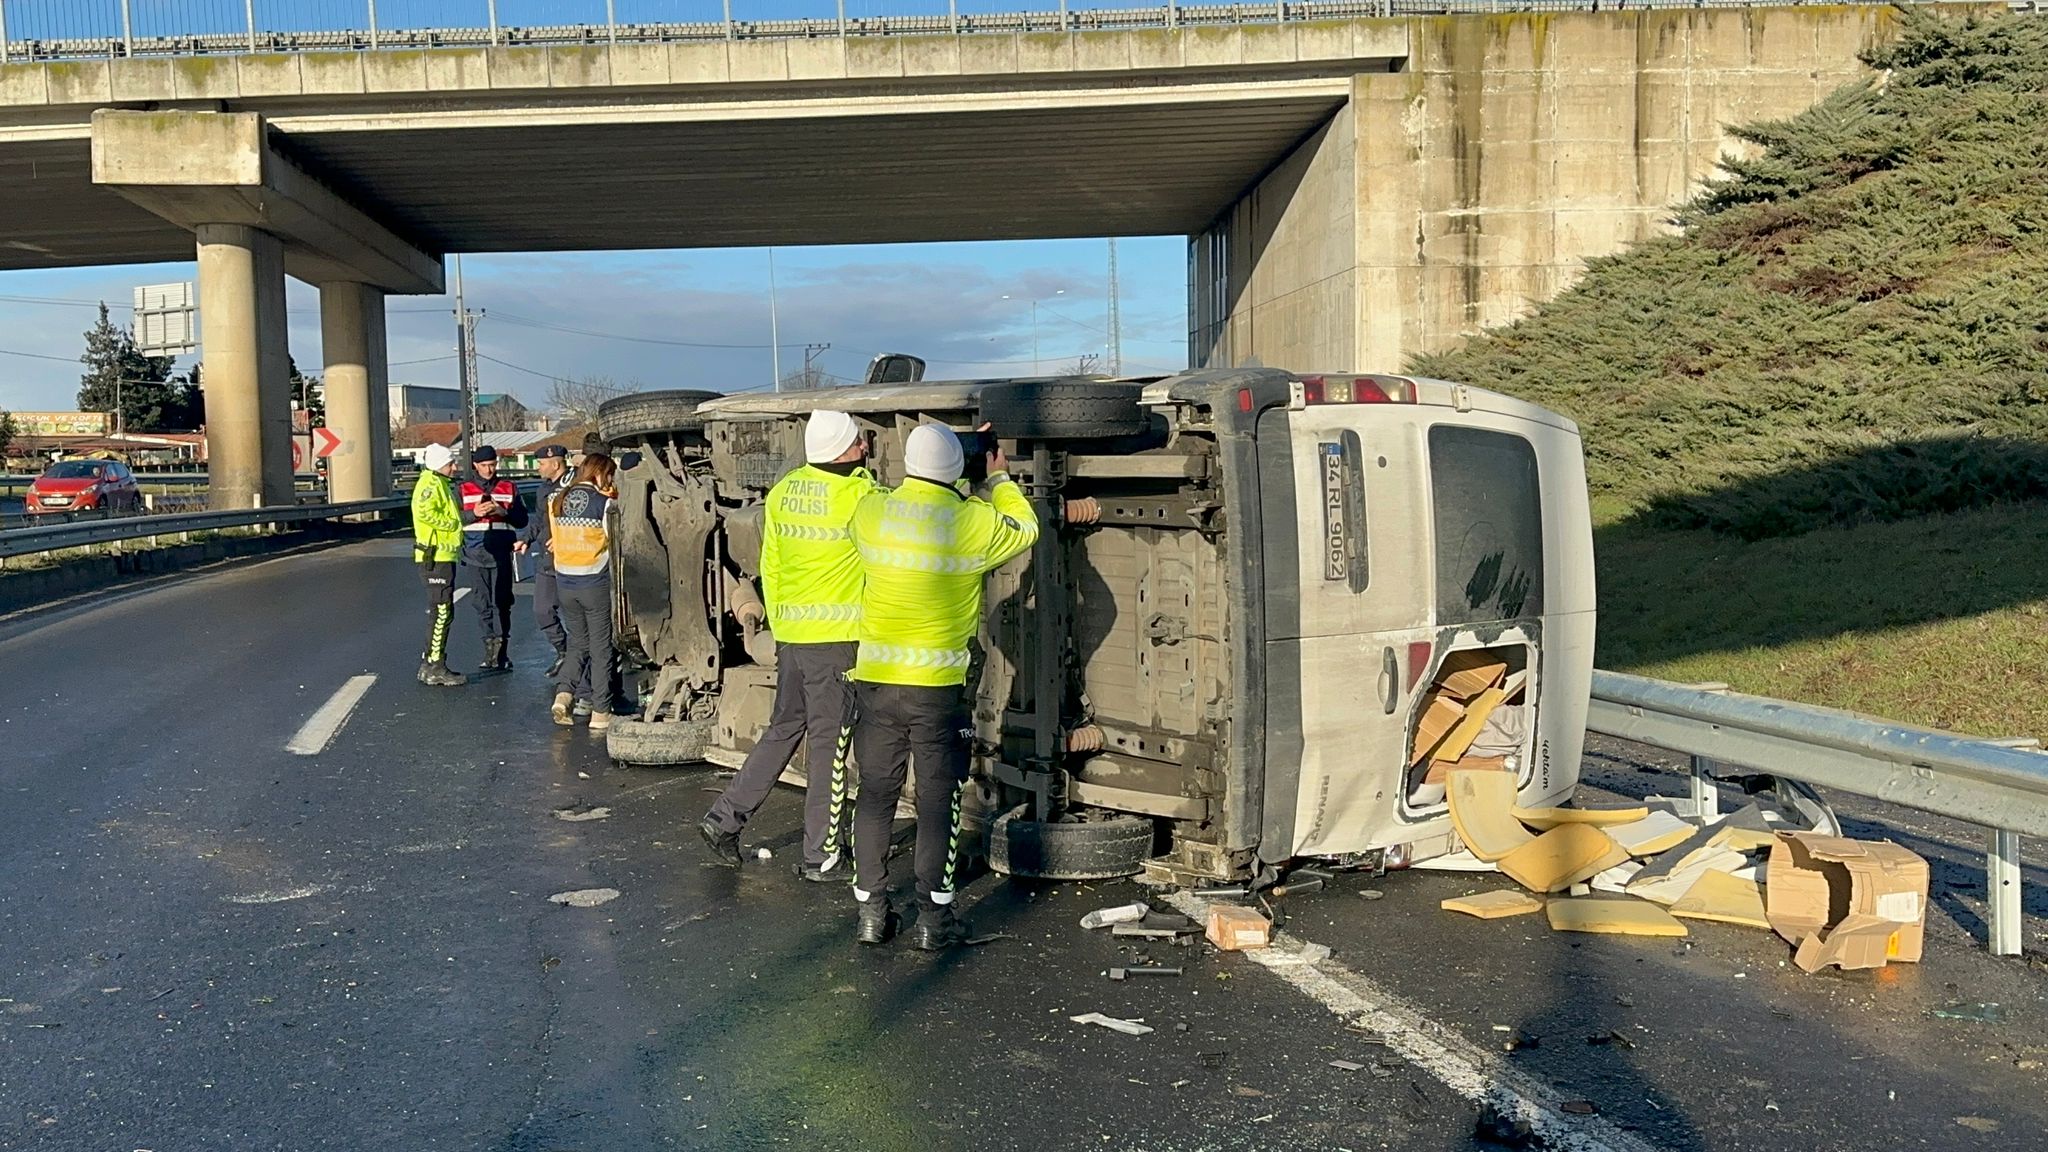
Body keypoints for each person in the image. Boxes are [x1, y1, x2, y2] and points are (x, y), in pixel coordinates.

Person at [847, 423, 1039, 950]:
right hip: (936, 689)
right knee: (937, 802)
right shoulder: (970, 521)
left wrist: (946, 454)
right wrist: (996, 477)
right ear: (956, 469)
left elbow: (879, 489)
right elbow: (1025, 528)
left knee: (876, 795)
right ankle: (935, 919)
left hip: (877, 681)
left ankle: (871, 912)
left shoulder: (872, 512)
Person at [700, 411, 880, 881]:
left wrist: (780, 629)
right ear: (842, 449)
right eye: (858, 440)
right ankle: (821, 856)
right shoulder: (861, 495)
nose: (865, 445)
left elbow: (770, 566)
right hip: (838, 641)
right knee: (830, 747)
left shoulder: (784, 492)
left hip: (794, 638)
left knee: (783, 729)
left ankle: (723, 819)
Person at [549, 452, 620, 732]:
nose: (610, 480)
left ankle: (564, 694)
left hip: (565, 582)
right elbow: (615, 541)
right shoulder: (605, 504)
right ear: (600, 473)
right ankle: (601, 712)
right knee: (601, 648)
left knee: (578, 643)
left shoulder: (557, 500)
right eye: (609, 475)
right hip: (594, 583)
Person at [459, 444, 526, 671]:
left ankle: (502, 653)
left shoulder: (509, 487)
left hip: (502, 553)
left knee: (503, 604)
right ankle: (489, 652)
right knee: (482, 604)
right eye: (484, 465)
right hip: (474, 553)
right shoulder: (463, 489)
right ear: (475, 466)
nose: (489, 470)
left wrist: (503, 511)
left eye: (492, 465)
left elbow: (522, 520)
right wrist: (473, 514)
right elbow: (454, 519)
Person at [410, 443, 467, 688]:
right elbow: (424, 512)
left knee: (440, 612)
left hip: (443, 556)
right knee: (442, 612)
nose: (454, 467)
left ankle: (430, 663)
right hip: (436, 557)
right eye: (450, 463)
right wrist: (452, 525)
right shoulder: (430, 485)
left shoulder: (440, 483)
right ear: (437, 464)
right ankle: (435, 665)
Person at [516, 443, 574, 678]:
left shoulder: (576, 485)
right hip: (548, 560)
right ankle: (564, 651)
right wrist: (526, 539)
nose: (538, 468)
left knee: (575, 614)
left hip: (573, 558)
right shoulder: (543, 489)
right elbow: (539, 520)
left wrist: (565, 537)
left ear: (555, 463)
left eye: (541, 464)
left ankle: (582, 661)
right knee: (542, 610)